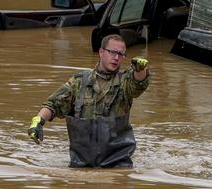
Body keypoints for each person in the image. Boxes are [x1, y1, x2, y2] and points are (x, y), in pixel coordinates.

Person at [27, 34, 150, 168]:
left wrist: (141, 69)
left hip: (118, 165)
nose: (116, 58)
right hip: (81, 165)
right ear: (101, 52)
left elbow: (138, 84)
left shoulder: (125, 83)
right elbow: (53, 105)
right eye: (112, 52)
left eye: (121, 54)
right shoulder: (79, 82)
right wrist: (38, 121)